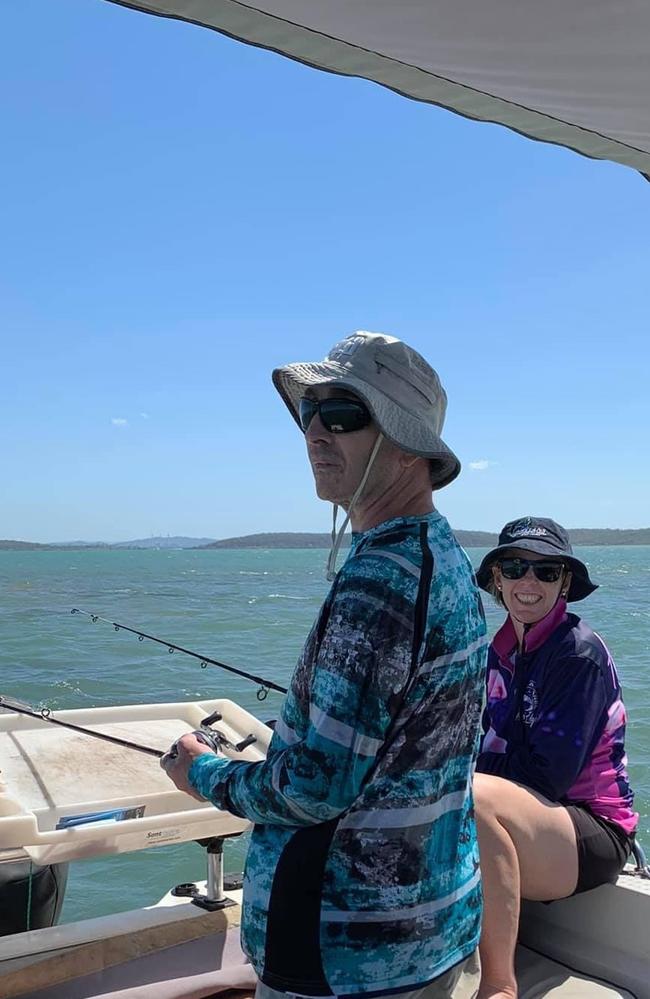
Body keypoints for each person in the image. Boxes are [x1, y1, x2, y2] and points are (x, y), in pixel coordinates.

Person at [162, 331, 487, 999]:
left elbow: (315, 787)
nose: (314, 432)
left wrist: (200, 771)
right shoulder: (442, 555)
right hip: (432, 928)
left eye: (342, 413)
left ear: (409, 446)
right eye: (308, 412)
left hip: (346, 952)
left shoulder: (378, 583)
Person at [473, 516, 637, 999]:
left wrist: (454, 770)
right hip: (538, 822)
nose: (529, 581)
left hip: (591, 833)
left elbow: (548, 776)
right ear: (497, 579)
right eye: (516, 567)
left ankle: (500, 985)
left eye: (546, 572)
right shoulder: (499, 651)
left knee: (474, 796)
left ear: (564, 583)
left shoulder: (576, 655)